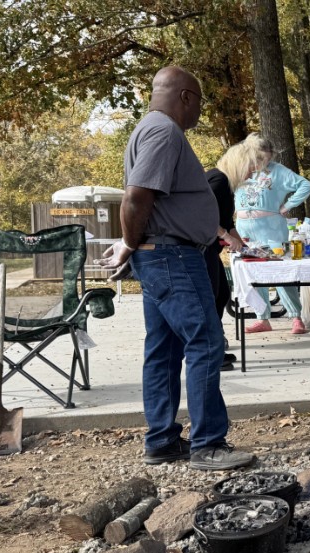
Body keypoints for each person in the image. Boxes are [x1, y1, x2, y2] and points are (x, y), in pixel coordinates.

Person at [97, 66, 255, 471]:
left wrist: (135, 246)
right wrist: (129, 244)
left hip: (162, 255)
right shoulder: (163, 132)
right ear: (186, 96)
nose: (200, 110)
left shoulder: (150, 130)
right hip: (172, 258)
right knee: (206, 343)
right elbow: (136, 197)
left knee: (163, 350)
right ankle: (208, 444)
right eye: (199, 100)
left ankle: (163, 441)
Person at [234, 134, 310, 334]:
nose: (264, 162)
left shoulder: (278, 171)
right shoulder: (240, 170)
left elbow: (306, 185)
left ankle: (295, 316)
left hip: (270, 227)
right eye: (261, 158)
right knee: (253, 272)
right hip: (244, 228)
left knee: (279, 270)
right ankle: (262, 317)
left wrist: (287, 205)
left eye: (268, 158)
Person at [205, 142, 252, 371]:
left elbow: (226, 220)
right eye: (252, 167)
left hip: (210, 249)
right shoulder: (219, 180)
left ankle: (216, 346)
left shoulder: (227, 185)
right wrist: (225, 235)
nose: (253, 173)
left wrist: (241, 242)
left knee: (222, 294)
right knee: (213, 298)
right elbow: (203, 213)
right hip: (201, 249)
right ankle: (211, 352)